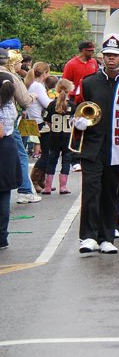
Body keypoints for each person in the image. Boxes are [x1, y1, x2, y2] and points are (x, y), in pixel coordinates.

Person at [71, 34, 119, 254]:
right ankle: (88, 236)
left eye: (115, 55)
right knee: (91, 190)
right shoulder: (88, 82)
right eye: (107, 55)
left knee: (111, 193)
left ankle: (107, 237)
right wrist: (78, 122)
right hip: (92, 147)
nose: (110, 59)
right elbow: (75, 108)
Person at [0, 47, 39, 203]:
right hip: (8, 124)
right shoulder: (11, 77)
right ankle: (24, 190)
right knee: (21, 155)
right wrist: (33, 96)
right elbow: (24, 100)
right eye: (18, 62)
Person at [0, 72, 24, 249]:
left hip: (2, 146)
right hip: (8, 148)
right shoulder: (9, 104)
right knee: (4, 194)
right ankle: (2, 236)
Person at [41, 78, 75, 195]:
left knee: (52, 160)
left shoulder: (52, 104)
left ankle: (47, 186)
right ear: (69, 90)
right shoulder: (72, 105)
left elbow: (47, 121)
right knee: (66, 160)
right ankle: (63, 187)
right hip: (67, 137)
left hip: (54, 137)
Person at [24, 62, 53, 189]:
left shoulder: (34, 85)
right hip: (40, 121)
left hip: (35, 120)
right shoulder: (37, 86)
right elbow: (47, 104)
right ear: (45, 73)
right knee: (47, 153)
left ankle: (42, 181)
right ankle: (35, 181)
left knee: (47, 151)